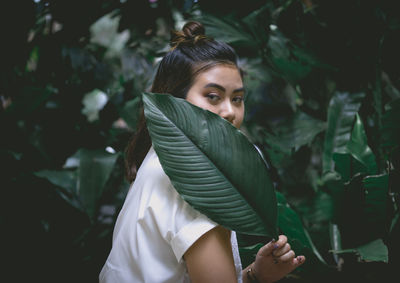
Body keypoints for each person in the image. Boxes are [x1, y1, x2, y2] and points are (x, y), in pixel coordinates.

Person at [100, 21, 305, 283]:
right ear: (175, 102)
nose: (230, 111)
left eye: (237, 98)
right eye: (213, 96)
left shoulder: (160, 160)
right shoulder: (195, 181)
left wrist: (254, 276)